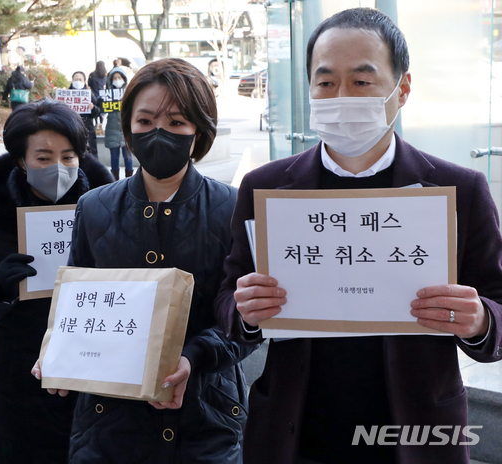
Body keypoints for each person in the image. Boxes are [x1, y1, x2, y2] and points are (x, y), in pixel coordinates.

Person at [215, 8, 502, 464]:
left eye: (361, 81)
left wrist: (480, 320)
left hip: (415, 435)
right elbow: (229, 301)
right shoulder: (265, 188)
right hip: (296, 434)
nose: (340, 96)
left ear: (402, 88)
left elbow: (497, 304)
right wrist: (247, 311)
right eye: (325, 82)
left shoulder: (458, 189)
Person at [33, 58, 252, 464]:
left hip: (204, 418)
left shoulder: (232, 207)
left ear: (199, 130)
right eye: (146, 120)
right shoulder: (94, 206)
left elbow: (245, 322)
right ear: (128, 128)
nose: (159, 133)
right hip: (109, 424)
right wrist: (58, 350)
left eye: (176, 122)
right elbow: (76, 303)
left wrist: (194, 357)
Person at [0, 101, 113, 464]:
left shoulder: (107, 209)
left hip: (96, 375)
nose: (58, 168)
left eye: (69, 157)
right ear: (21, 160)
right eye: (43, 157)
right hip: (21, 383)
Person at [104, 66, 133, 180]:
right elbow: (100, 109)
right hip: (112, 129)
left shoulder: (129, 93)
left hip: (126, 129)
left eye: (119, 77)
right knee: (114, 158)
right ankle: (114, 180)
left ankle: (129, 180)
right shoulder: (107, 94)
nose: (117, 80)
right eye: (114, 78)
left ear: (124, 79)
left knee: (128, 157)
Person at [70, 71, 102, 158]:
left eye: (80, 79)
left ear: (84, 81)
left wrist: (93, 108)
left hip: (88, 129)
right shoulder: (66, 95)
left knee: (91, 153)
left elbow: (98, 112)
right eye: (75, 79)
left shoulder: (90, 95)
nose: (77, 81)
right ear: (72, 81)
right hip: (71, 129)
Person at [88, 61, 107, 131]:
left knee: (95, 110)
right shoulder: (105, 76)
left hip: (94, 94)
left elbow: (89, 84)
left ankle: (96, 124)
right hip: (102, 95)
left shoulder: (92, 75)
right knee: (101, 110)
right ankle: (101, 125)